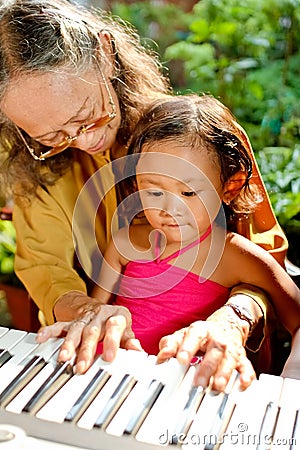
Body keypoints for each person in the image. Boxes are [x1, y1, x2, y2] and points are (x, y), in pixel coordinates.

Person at [0, 0, 289, 388]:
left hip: (209, 371)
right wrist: (86, 311)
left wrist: (234, 317)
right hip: (109, 364)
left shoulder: (194, 137)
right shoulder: (33, 164)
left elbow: (262, 255)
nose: (84, 141)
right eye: (52, 138)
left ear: (104, 53)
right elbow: (44, 266)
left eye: (87, 113)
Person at [89, 94, 300, 387]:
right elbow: (94, 313)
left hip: (187, 390)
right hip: (110, 374)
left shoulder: (236, 256)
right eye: (153, 191)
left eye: (188, 193)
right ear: (136, 183)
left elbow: (297, 315)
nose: (170, 209)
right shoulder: (127, 241)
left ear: (229, 187)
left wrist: (291, 379)